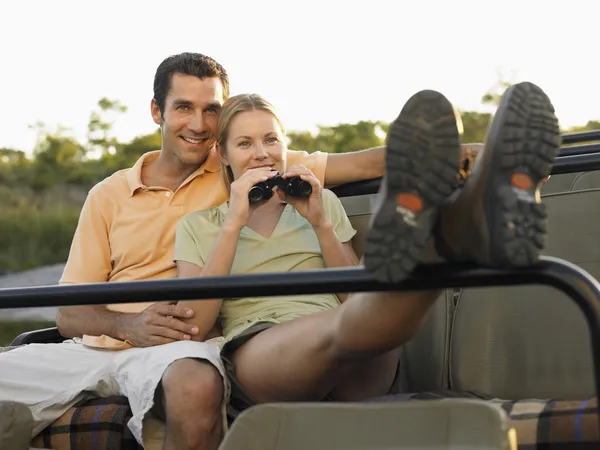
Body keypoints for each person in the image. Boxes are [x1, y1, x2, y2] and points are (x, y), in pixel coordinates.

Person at [0, 52, 390, 450]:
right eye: (184, 108)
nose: (199, 125)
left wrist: (453, 154)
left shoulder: (244, 169)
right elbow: (69, 313)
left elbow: (358, 165)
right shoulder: (108, 194)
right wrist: (128, 326)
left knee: (195, 381)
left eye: (211, 110)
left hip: (179, 347)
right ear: (158, 111)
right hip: (98, 347)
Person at [173, 83, 559, 411]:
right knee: (365, 310)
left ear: (285, 145)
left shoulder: (321, 206)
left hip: (360, 355)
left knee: (366, 310)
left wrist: (320, 221)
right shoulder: (198, 226)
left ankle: (452, 225)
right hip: (265, 356)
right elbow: (194, 326)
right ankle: (450, 233)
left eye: (271, 139)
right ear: (223, 154)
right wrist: (234, 222)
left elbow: (352, 296)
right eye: (245, 143)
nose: (262, 152)